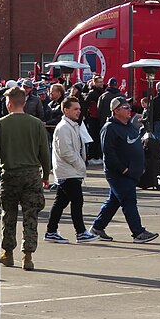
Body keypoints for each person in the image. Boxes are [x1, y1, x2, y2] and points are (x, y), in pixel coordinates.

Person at [0, 86, 51, 270]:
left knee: (9, 215)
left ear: (9, 103)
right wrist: (46, 175)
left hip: (10, 175)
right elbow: (44, 153)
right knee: (31, 216)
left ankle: (8, 253)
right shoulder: (37, 124)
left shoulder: (0, 124)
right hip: (32, 175)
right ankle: (27, 255)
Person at [86, 95, 158, 244]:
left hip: (132, 173)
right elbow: (109, 153)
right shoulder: (110, 128)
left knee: (114, 201)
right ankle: (138, 232)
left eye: (129, 107)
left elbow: (137, 146)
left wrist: (142, 165)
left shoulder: (130, 126)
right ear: (115, 111)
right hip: (118, 174)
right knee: (129, 201)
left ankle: (97, 228)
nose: (129, 109)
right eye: (125, 107)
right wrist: (123, 169)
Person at [45, 96, 98, 244]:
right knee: (77, 201)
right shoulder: (63, 128)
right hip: (68, 171)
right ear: (65, 110)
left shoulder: (72, 125)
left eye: (79, 109)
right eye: (75, 109)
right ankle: (80, 232)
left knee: (61, 202)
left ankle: (51, 230)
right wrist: (80, 165)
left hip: (69, 171)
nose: (78, 111)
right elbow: (66, 152)